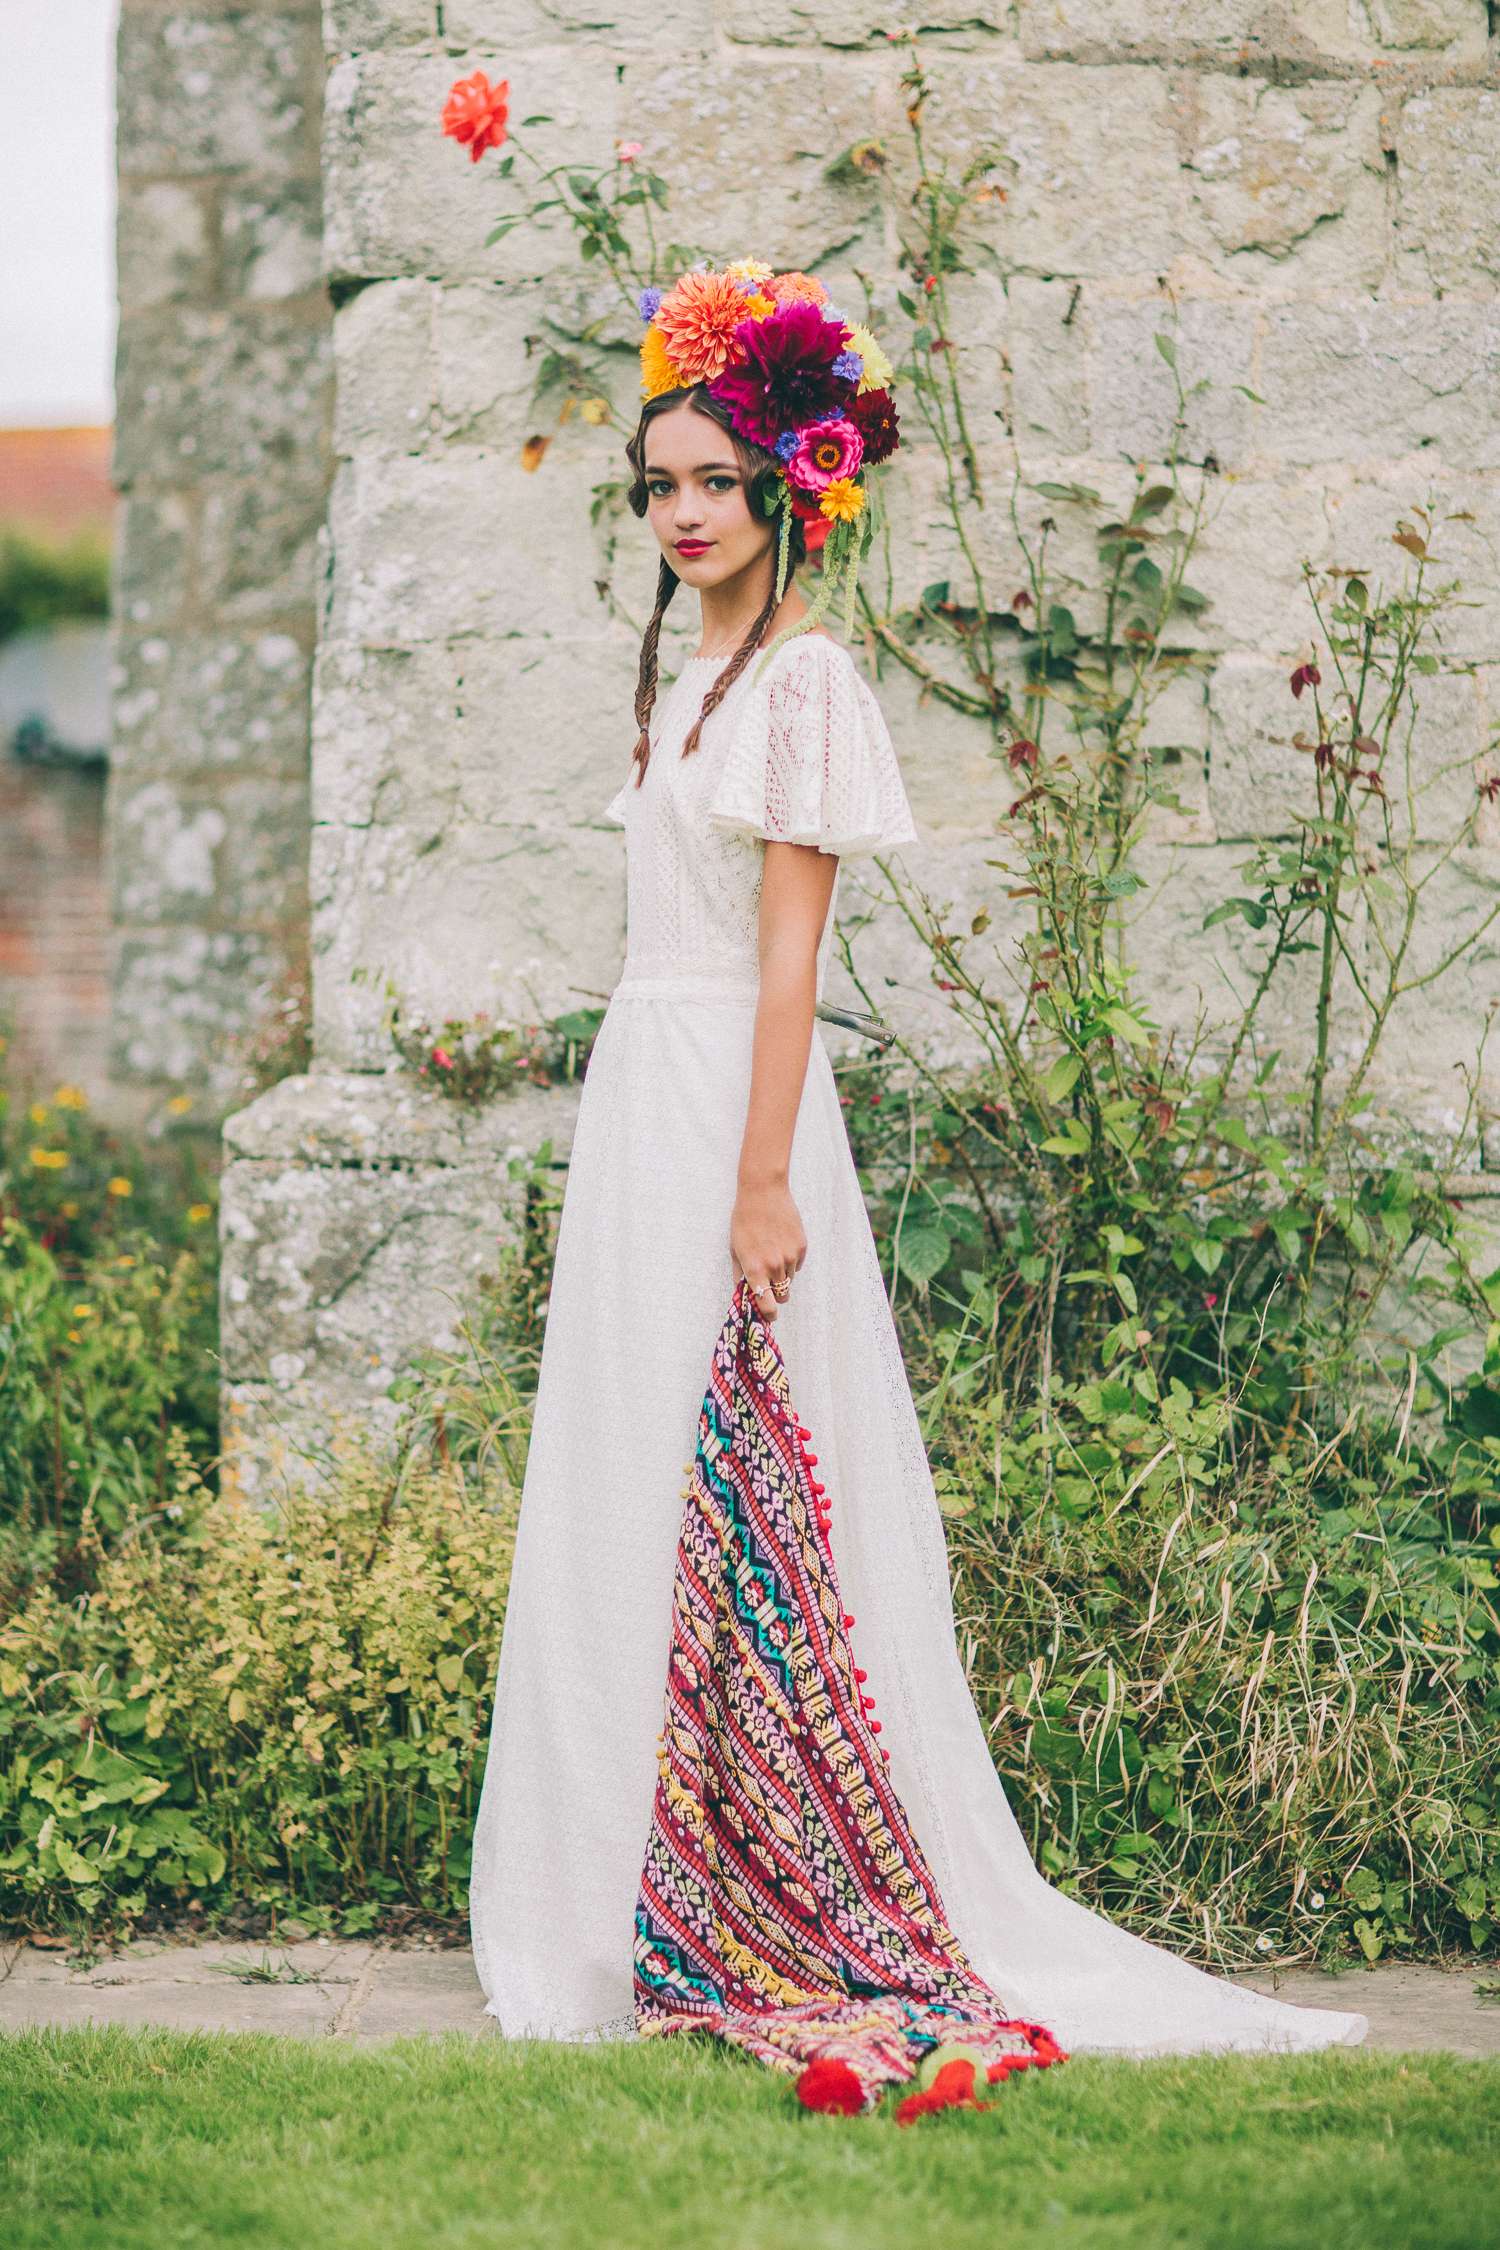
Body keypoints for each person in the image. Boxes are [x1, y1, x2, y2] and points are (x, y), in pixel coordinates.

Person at [467, 261, 1367, 2063]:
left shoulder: (803, 685)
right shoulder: (693, 672)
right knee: (628, 1468)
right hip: (645, 1094)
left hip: (737, 1097)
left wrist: (763, 1176)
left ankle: (779, 1871)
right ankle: (617, 1894)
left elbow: (786, 958)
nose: (685, 512)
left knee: (742, 1469)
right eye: (658, 485)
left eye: (715, 479)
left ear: (790, 487)